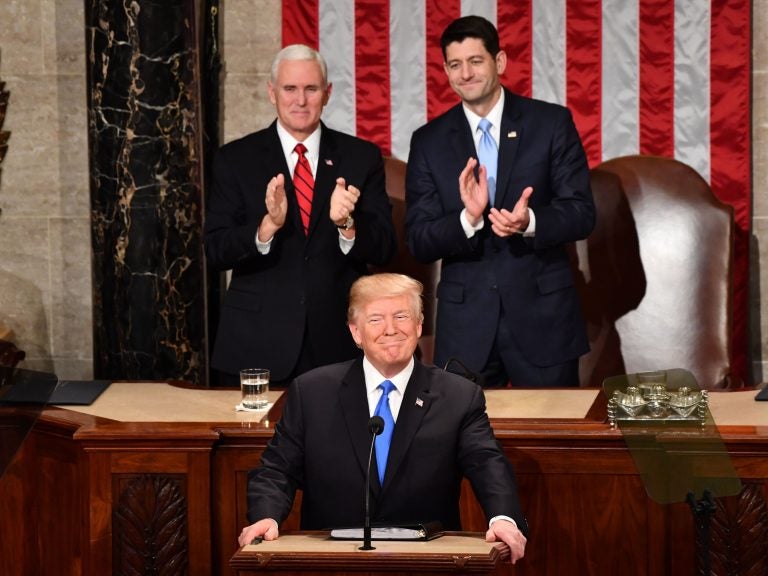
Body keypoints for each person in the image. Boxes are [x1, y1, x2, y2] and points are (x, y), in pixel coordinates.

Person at [238, 273, 528, 564]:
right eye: (376, 319)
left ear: (418, 324)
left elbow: (487, 463)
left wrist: (503, 518)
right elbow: (277, 469)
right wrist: (267, 516)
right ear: (356, 332)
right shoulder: (312, 391)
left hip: (427, 562)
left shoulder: (458, 395)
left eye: (401, 316)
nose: (390, 329)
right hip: (332, 561)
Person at [405, 16, 595, 388]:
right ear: (445, 71)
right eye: (455, 65)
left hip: (544, 321)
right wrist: (467, 219)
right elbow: (419, 239)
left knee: (551, 439)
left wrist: (531, 222)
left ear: (500, 62)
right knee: (463, 444)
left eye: (476, 61)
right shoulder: (428, 140)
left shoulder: (550, 123)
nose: (466, 73)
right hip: (466, 331)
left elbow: (582, 212)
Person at [205, 44, 397, 387]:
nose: (300, 100)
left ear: (327, 93)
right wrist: (267, 226)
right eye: (290, 89)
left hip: (337, 343)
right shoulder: (235, 159)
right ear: (271, 92)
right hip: (256, 345)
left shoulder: (361, 157)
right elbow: (216, 250)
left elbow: (384, 248)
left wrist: (347, 224)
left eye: (311, 89)